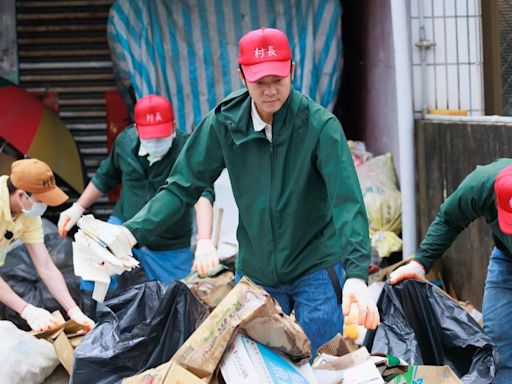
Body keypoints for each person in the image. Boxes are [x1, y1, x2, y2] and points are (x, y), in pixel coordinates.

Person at [87, 27, 379, 355]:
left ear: (293, 70)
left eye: (278, 80)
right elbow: (182, 187)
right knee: (259, 365)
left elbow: (347, 203)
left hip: (315, 265)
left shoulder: (319, 127)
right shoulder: (224, 123)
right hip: (256, 271)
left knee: (324, 361)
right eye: (259, 82)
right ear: (242, 76)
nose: (270, 91)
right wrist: (130, 232)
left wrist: (355, 275)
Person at [58, 95, 218, 286]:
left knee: (180, 295)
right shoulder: (125, 142)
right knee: (97, 276)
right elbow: (105, 177)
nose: (156, 141)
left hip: (168, 240)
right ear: (136, 128)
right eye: (150, 137)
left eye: (161, 135)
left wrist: (205, 240)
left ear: (174, 125)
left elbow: (202, 193)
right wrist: (77, 208)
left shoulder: (188, 147)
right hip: (123, 224)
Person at [389, 158, 512, 383]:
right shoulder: (483, 183)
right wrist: (420, 263)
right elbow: (449, 219)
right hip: (507, 259)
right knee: (498, 349)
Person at [0, 158, 94, 331]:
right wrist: (26, 309)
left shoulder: (27, 215)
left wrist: (73, 310)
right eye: (41, 200)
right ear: (21, 194)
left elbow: (45, 267)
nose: (44, 206)